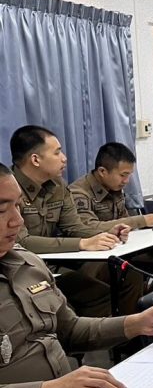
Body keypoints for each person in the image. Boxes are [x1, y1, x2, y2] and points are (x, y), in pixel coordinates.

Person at [0, 162, 153, 388]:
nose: (18, 220)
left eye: (18, 206)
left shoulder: (29, 264)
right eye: (2, 210)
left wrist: (136, 323)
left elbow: (70, 331)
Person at [10, 125, 143, 316]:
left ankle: (130, 333)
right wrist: (82, 243)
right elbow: (21, 242)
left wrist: (107, 232)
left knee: (129, 273)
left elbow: (74, 227)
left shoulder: (58, 186)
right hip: (19, 269)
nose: (64, 158)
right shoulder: (8, 188)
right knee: (93, 295)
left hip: (53, 263)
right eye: (57, 152)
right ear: (35, 159)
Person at [70, 141, 153, 283]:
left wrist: (144, 241)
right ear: (102, 172)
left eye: (129, 175)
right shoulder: (78, 193)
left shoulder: (114, 186)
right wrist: (143, 220)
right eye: (123, 175)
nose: (127, 181)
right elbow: (87, 228)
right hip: (93, 256)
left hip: (120, 249)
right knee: (131, 274)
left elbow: (124, 222)